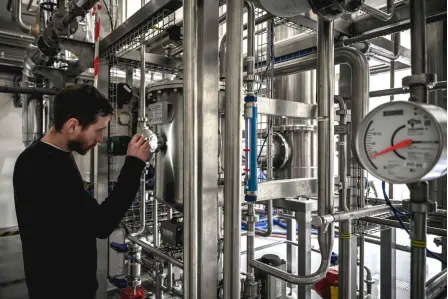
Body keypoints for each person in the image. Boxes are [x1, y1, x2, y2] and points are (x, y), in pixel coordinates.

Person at [13, 85, 150, 299]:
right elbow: (102, 224)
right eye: (98, 130)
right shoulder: (43, 167)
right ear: (73, 125)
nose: (100, 139)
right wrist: (133, 165)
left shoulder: (48, 155)